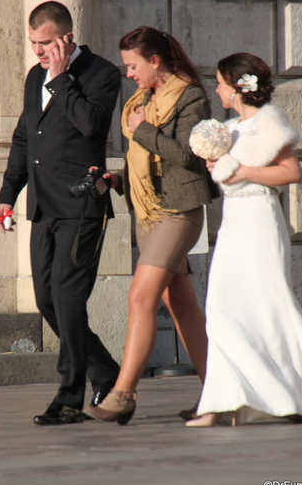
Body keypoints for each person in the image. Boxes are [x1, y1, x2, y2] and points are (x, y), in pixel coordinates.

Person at [186, 52, 302, 428]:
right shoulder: (227, 128)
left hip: (261, 221)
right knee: (221, 310)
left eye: (220, 82)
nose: (216, 89)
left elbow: (291, 173)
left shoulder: (269, 122)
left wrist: (240, 169)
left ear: (238, 86)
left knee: (271, 307)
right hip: (233, 225)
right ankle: (222, 402)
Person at [0, 1, 121, 425]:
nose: (39, 52)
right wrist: (8, 194)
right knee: (47, 299)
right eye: (34, 43)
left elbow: (91, 125)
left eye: (46, 43)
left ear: (67, 37)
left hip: (83, 205)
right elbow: (24, 137)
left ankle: (69, 397)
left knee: (69, 298)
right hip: (44, 207)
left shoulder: (101, 74)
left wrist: (63, 77)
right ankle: (108, 374)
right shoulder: (34, 77)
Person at [85, 26, 214, 424]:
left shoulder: (190, 95)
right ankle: (218, 393)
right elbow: (143, 158)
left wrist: (143, 129)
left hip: (178, 213)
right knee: (183, 307)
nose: (128, 74)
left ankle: (123, 393)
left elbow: (188, 156)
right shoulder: (144, 99)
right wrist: (117, 179)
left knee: (141, 297)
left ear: (155, 61)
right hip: (148, 213)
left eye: (133, 65)